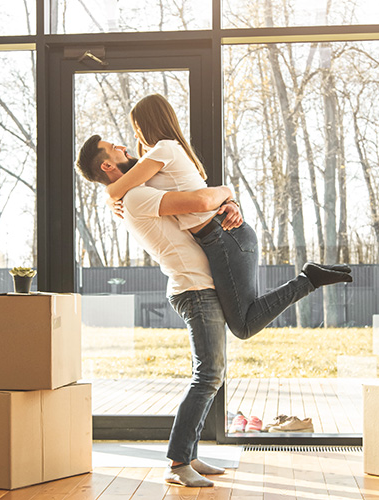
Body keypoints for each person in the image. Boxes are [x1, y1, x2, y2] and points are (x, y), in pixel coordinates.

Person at [105, 93, 353, 339]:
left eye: (137, 128)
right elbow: (127, 185)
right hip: (220, 238)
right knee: (244, 320)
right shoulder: (163, 155)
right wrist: (113, 202)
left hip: (225, 236)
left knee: (243, 325)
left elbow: (117, 188)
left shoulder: (164, 149)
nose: (135, 135)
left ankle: (308, 279)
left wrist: (111, 198)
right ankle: (309, 278)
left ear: (151, 123)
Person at [77, 135, 241, 487]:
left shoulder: (134, 192)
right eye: (116, 147)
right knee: (208, 375)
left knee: (211, 374)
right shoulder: (135, 195)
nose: (124, 146)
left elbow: (193, 202)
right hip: (193, 287)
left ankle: (190, 454)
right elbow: (198, 198)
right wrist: (226, 190)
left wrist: (229, 203)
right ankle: (179, 463)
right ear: (107, 165)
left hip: (197, 285)